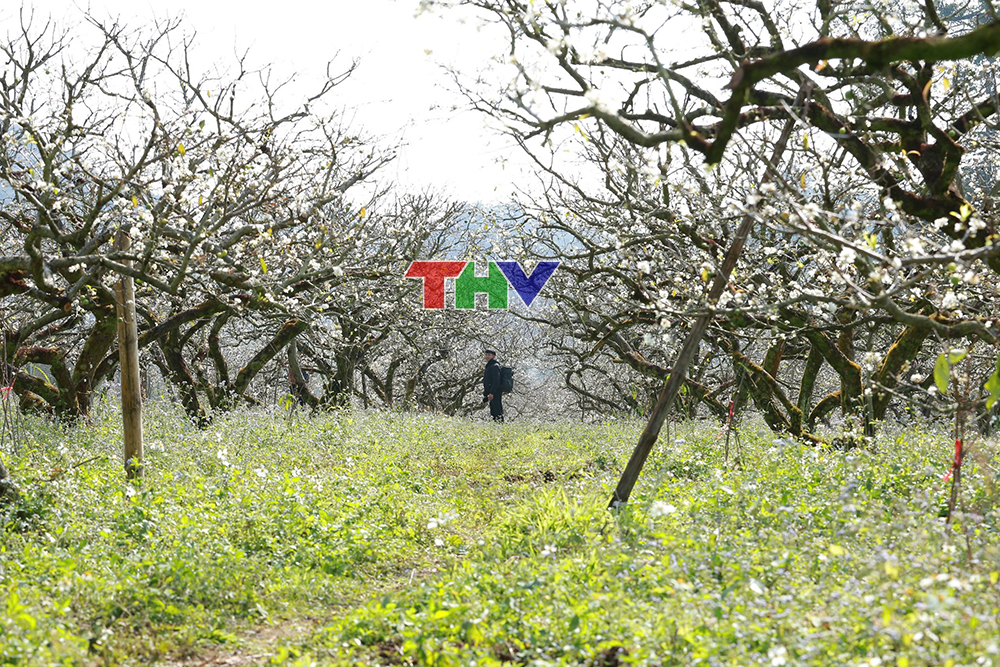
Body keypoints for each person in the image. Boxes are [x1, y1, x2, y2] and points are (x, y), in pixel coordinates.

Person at [482, 349, 504, 422]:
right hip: (491, 392)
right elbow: (487, 381)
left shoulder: (495, 366)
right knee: (493, 411)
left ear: (493, 356)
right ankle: (496, 425)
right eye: (486, 355)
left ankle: (500, 425)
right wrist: (486, 394)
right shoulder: (489, 366)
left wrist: (492, 392)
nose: (487, 356)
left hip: (495, 392)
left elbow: (496, 381)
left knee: (497, 410)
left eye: (489, 355)